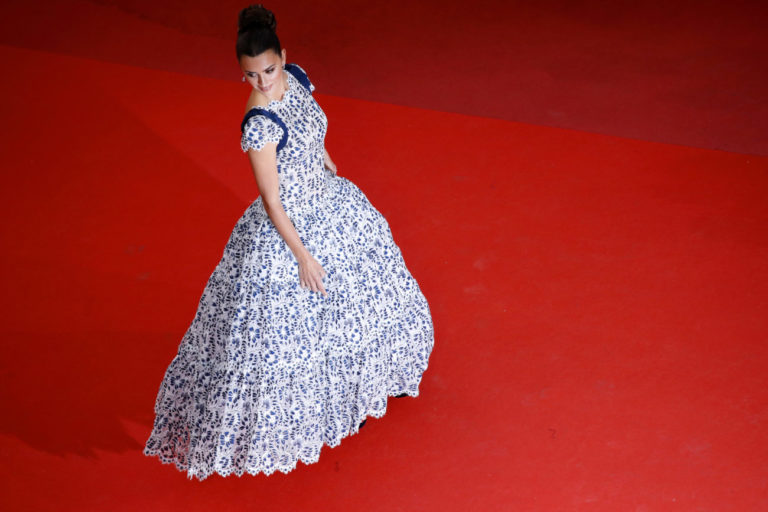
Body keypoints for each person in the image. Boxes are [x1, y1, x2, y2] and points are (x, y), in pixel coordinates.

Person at [143, 4, 434, 481]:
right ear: (241, 74)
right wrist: (302, 257)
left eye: (269, 69)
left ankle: (362, 388)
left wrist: (324, 154)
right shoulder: (258, 124)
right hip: (291, 227)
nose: (262, 82)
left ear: (285, 58)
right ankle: (311, 414)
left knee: (356, 302)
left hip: (330, 202)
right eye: (251, 75)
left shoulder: (298, 78)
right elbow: (272, 202)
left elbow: (311, 122)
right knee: (296, 328)